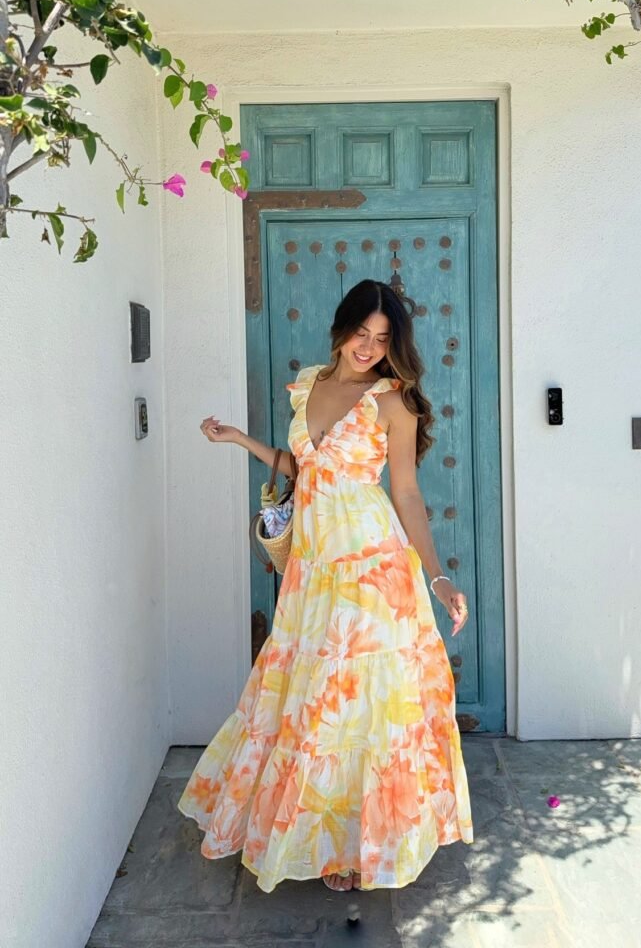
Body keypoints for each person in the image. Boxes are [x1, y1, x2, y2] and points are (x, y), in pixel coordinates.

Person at [177, 278, 473, 893]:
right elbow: (304, 467)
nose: (369, 347)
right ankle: (330, 839)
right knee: (313, 699)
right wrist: (241, 441)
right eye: (362, 333)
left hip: (371, 566)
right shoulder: (309, 384)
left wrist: (439, 576)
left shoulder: (392, 401)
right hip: (312, 568)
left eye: (382, 339)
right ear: (341, 330)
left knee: (358, 705)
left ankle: (362, 846)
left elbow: (406, 492)